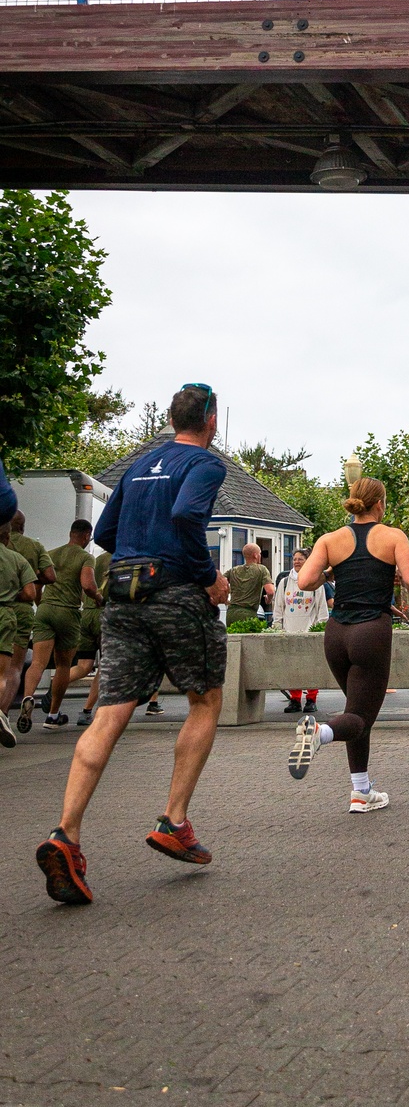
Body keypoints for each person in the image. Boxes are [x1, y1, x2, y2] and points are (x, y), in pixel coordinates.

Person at [34, 383, 229, 906]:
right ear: (210, 418)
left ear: (172, 417)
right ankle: (175, 820)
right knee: (205, 698)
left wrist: (142, 558)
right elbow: (189, 516)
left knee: (110, 711)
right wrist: (206, 575)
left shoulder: (141, 464)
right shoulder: (205, 466)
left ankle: (66, 835)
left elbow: (107, 532)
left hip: (123, 594)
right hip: (178, 595)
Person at [287, 477, 409, 810]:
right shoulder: (393, 536)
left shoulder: (331, 539)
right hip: (370, 633)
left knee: (356, 710)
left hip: (335, 635)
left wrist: (332, 573)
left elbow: (305, 581)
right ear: (380, 504)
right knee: (360, 718)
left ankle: (361, 792)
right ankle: (319, 733)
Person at [18, 519, 103, 733]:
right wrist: (98, 597)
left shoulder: (51, 553)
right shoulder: (86, 557)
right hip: (68, 613)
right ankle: (53, 715)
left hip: (45, 609)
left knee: (37, 662)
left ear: (70, 533)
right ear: (85, 536)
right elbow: (87, 585)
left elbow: (37, 584)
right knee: (63, 665)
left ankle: (28, 697)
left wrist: (42, 604)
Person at [2, 511, 55, 716]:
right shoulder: (33, 547)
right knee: (14, 667)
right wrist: (34, 577)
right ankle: (3, 713)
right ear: (22, 527)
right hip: (20, 613)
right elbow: (50, 576)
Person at [272, 547, 329, 715]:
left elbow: (321, 609)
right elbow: (279, 608)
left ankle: (311, 699)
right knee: (292, 667)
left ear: (308, 561)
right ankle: (295, 699)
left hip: (309, 631)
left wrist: (320, 629)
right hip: (289, 631)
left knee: (312, 666)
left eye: (300, 559)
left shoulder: (315, 583)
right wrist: (277, 627)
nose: (296, 561)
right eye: (294, 559)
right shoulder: (284, 583)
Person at [0, 525, 35, 749]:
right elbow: (31, 592)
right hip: (5, 614)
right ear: (6, 536)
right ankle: (0, 715)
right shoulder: (16, 559)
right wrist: (13, 593)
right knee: (3, 672)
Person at [71, 549, 111, 728]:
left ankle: (57, 685)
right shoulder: (121, 560)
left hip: (86, 615)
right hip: (105, 614)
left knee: (84, 666)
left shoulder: (93, 560)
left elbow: (84, 589)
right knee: (105, 666)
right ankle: (87, 711)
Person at [224, 542, 274, 627]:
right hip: (248, 613)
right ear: (255, 555)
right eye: (260, 554)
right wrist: (268, 600)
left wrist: (225, 600)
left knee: (232, 639)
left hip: (231, 613)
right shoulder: (261, 569)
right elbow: (270, 591)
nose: (260, 556)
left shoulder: (233, 570)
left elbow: (219, 584)